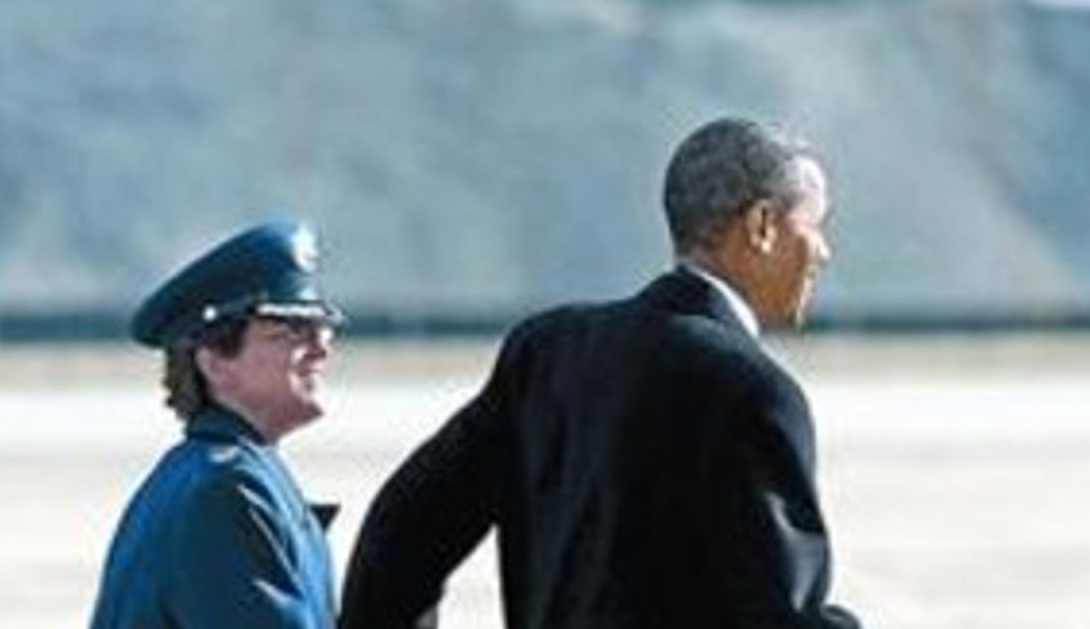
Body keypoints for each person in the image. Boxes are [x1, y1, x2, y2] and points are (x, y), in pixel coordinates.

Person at [339, 117, 862, 629]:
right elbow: (780, 615)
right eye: (816, 225)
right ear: (762, 226)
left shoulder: (546, 353)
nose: (824, 251)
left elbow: (403, 532)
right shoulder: (752, 390)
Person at [90, 221, 345, 629]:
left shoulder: (217, 473)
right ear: (214, 362)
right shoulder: (227, 490)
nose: (321, 348)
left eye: (322, 328)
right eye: (292, 330)